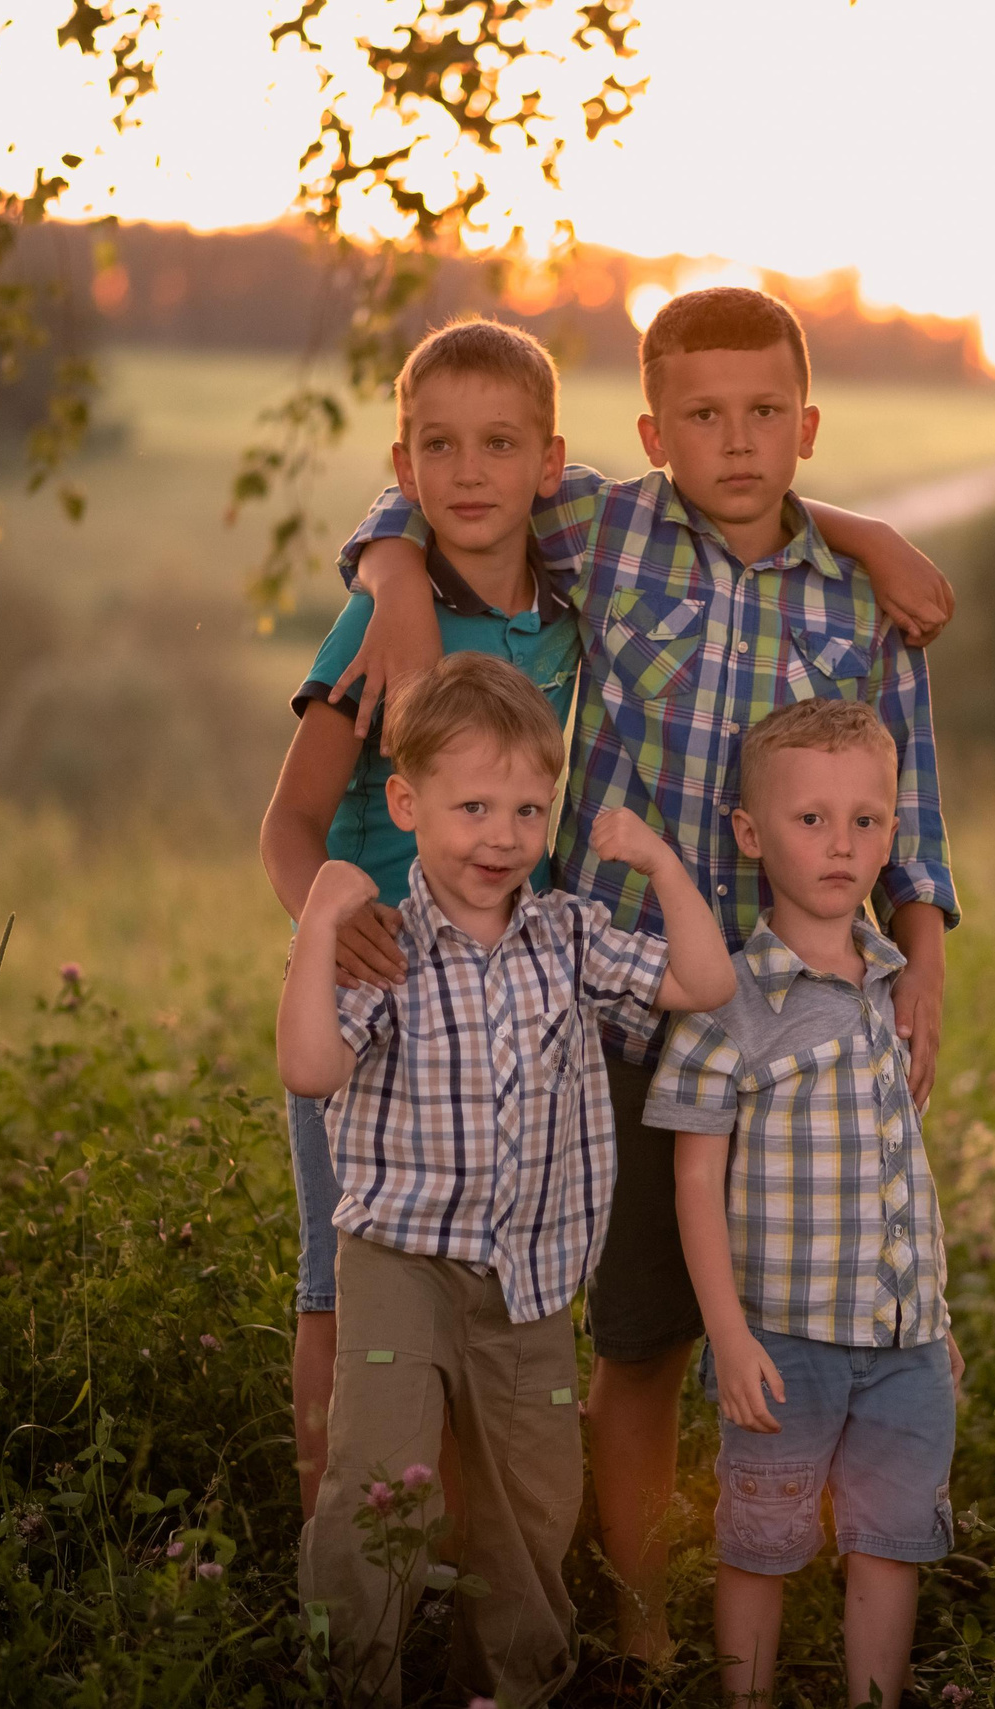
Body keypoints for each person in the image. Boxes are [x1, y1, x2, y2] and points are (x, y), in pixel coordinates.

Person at [328, 285, 960, 1661]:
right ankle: (636, 1624)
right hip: (614, 1007)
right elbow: (451, 488)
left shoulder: (857, 602)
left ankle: (759, 1595)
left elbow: (910, 812)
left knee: (779, 1311)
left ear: (805, 426)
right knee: (627, 1329)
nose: (735, 442)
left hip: (794, 1020)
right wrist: (387, 566)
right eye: (702, 417)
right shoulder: (608, 530)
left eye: (763, 414)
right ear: (653, 432)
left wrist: (921, 960)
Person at [276, 652, 735, 1706]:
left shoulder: (566, 934)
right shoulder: (387, 948)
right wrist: (320, 923)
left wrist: (659, 864)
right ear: (407, 805)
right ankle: (352, 1678)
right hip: (399, 1260)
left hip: (530, 1272)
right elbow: (309, 1068)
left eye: (528, 810)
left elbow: (702, 980)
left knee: (534, 1497)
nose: (502, 836)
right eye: (474, 806)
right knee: (381, 1480)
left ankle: (508, 1686)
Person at [258, 318, 582, 1517]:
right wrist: (324, 923)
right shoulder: (382, 621)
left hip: (492, 999)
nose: (469, 471)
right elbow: (289, 822)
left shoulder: (567, 610)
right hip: (374, 991)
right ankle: (332, 1532)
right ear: (402, 466)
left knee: (468, 1279)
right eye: (437, 446)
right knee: (343, 1279)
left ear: (549, 465)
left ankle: (440, 1535)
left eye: (499, 444)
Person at [649, 697, 959, 1709]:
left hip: (903, 1340)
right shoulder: (726, 1002)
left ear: (891, 831)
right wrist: (728, 1334)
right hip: (783, 1340)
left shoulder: (894, 989)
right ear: (750, 832)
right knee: (760, 1540)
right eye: (811, 819)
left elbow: (901, 1167)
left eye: (865, 821)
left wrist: (933, 1314)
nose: (840, 844)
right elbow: (694, 1180)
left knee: (890, 1542)